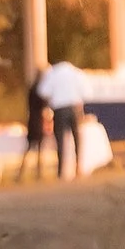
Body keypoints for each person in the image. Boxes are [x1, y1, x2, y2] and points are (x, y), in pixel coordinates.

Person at [37, 51, 86, 179]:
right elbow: (86, 90)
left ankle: (60, 170)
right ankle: (78, 166)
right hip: (75, 108)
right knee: (77, 138)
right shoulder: (76, 72)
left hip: (59, 109)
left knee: (60, 140)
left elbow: (43, 91)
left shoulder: (52, 73)